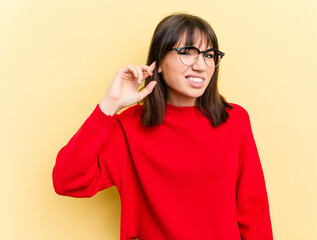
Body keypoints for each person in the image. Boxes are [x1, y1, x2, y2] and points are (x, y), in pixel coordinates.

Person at [52, 13, 273, 240]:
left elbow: (254, 212)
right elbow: (66, 180)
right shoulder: (129, 126)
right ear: (157, 63)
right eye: (187, 52)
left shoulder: (234, 120)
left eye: (209, 55)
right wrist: (110, 104)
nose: (201, 65)